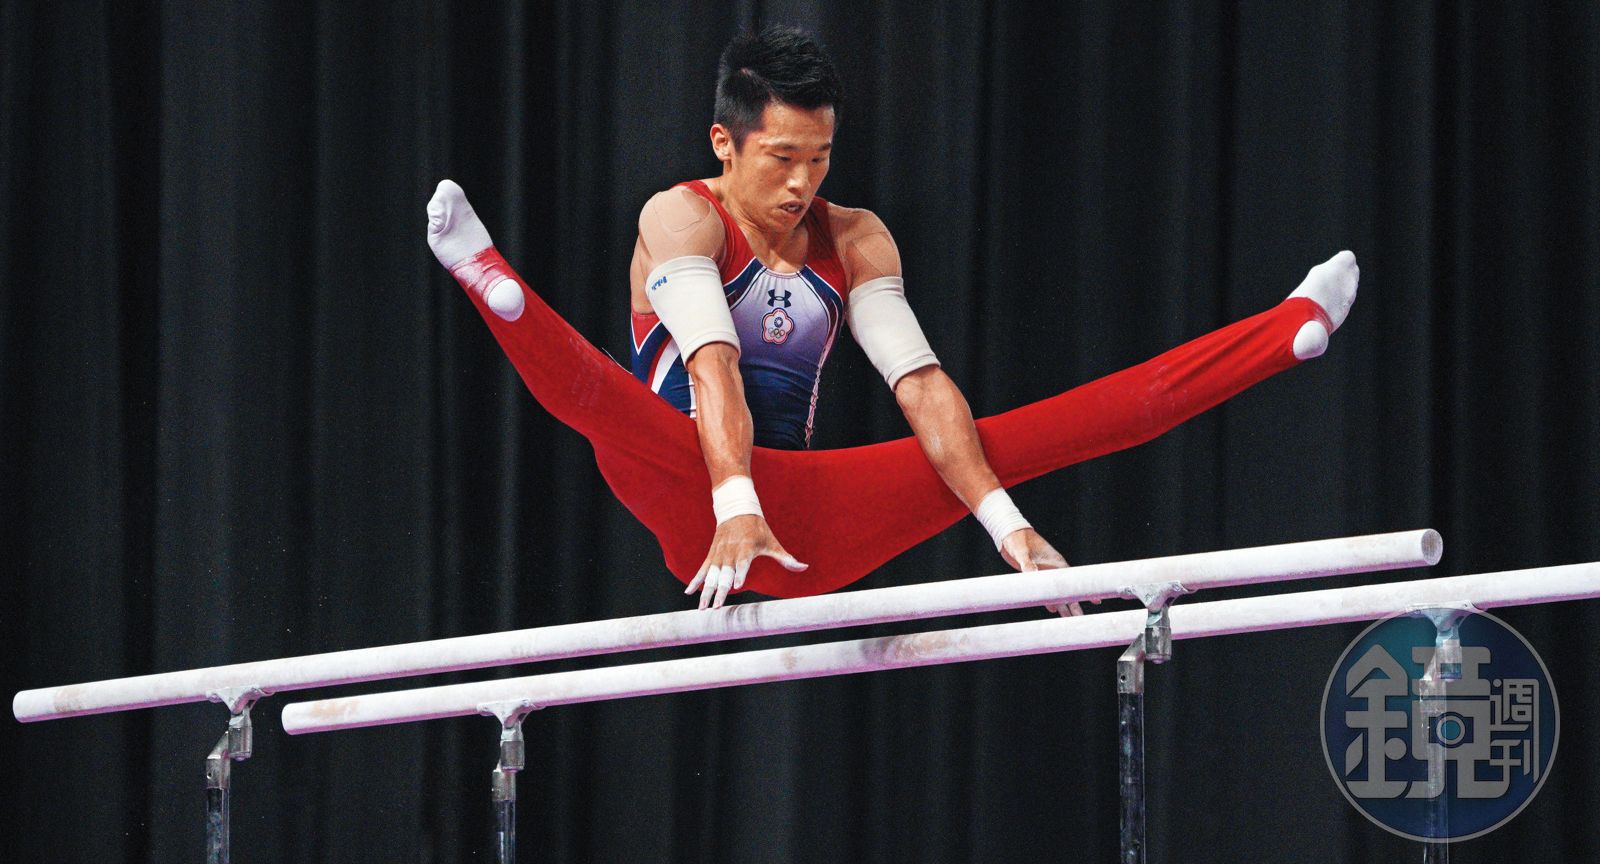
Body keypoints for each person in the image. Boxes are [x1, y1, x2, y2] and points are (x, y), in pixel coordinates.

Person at [424, 26, 1357, 610]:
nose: (802, 182)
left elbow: (921, 386)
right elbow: (712, 366)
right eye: (781, 157)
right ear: (724, 143)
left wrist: (1006, 527)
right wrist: (736, 507)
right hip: (688, 488)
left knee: (1034, 435)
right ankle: (491, 279)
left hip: (810, 525)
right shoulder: (682, 218)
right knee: (607, 403)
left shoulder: (857, 238)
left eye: (820, 157)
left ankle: (1285, 333)